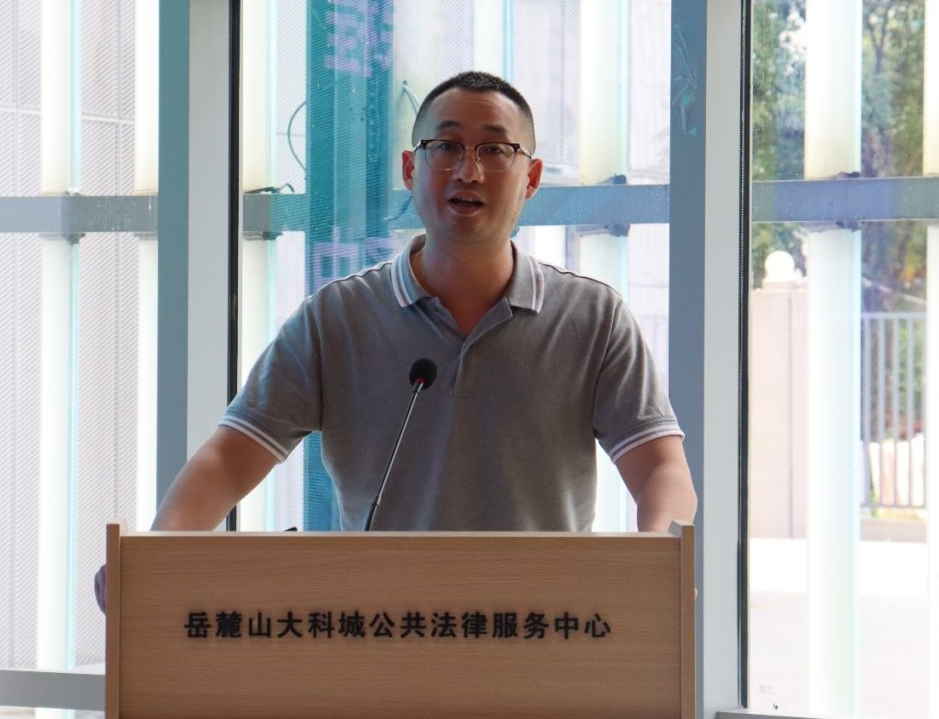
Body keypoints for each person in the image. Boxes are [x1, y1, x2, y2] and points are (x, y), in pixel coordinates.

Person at [94, 70, 696, 613]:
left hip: (542, 637)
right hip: (380, 634)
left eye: (494, 149)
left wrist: (659, 566)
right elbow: (229, 460)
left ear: (532, 177)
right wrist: (154, 561)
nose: (468, 171)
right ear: (411, 169)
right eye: (446, 147)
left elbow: (659, 469)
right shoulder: (338, 319)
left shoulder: (592, 317)